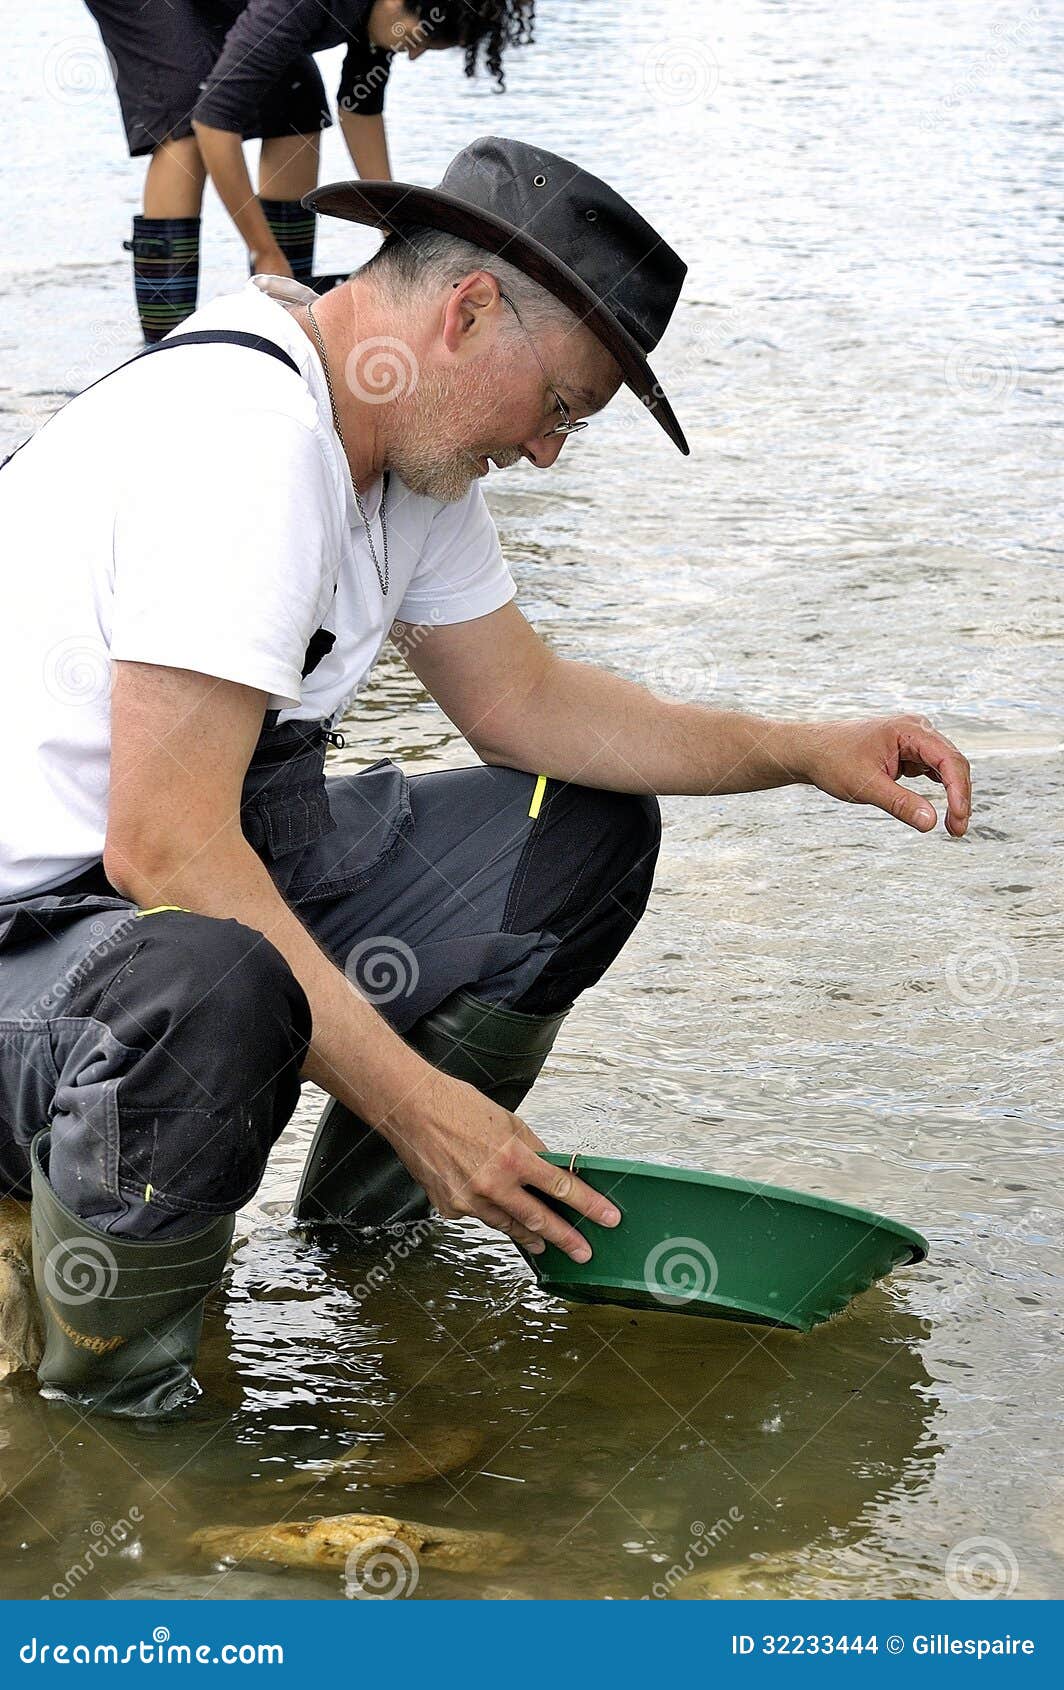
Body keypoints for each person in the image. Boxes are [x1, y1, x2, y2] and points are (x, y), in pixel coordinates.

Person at [0, 138, 971, 1421]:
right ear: (465, 315)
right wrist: (422, 1105)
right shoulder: (245, 443)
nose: (550, 451)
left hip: (141, 910)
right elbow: (168, 853)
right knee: (207, 976)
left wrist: (800, 748)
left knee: (580, 832)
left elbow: (528, 707)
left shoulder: (399, 451)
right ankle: (119, 1417)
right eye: (560, 406)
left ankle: (364, 1246)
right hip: (42, 948)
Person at [83, 0, 535, 340]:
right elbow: (215, 122)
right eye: (419, 40)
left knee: (299, 101)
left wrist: (398, 232)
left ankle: (278, 317)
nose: (413, 56)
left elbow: (359, 108)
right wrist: (262, 249)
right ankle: (160, 346)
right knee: (185, 117)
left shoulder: (377, 16)